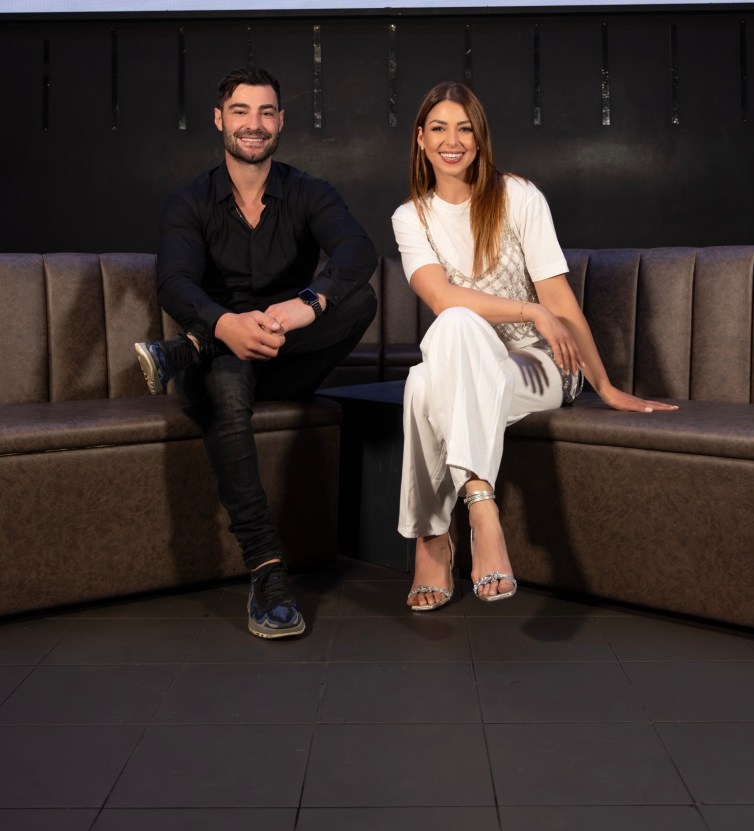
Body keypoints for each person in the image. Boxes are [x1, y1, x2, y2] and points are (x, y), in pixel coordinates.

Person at [391, 81, 677, 611]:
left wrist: (605, 386)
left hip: (541, 364)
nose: (452, 141)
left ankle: (432, 540)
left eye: (465, 129)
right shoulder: (411, 218)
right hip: (470, 360)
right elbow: (441, 297)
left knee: (426, 379)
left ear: (480, 138)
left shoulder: (518, 196)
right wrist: (529, 310)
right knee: (438, 353)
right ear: (420, 139)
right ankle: (482, 508)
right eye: (439, 128)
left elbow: (559, 299)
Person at [135, 64, 377, 638]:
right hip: (222, 366)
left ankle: (187, 347)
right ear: (220, 119)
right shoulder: (189, 202)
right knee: (226, 372)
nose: (254, 123)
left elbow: (357, 250)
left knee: (360, 299)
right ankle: (267, 571)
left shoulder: (309, 191)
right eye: (241, 111)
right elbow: (174, 283)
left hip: (289, 358)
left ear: (281, 122)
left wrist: (305, 304)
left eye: (266, 112)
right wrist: (223, 324)